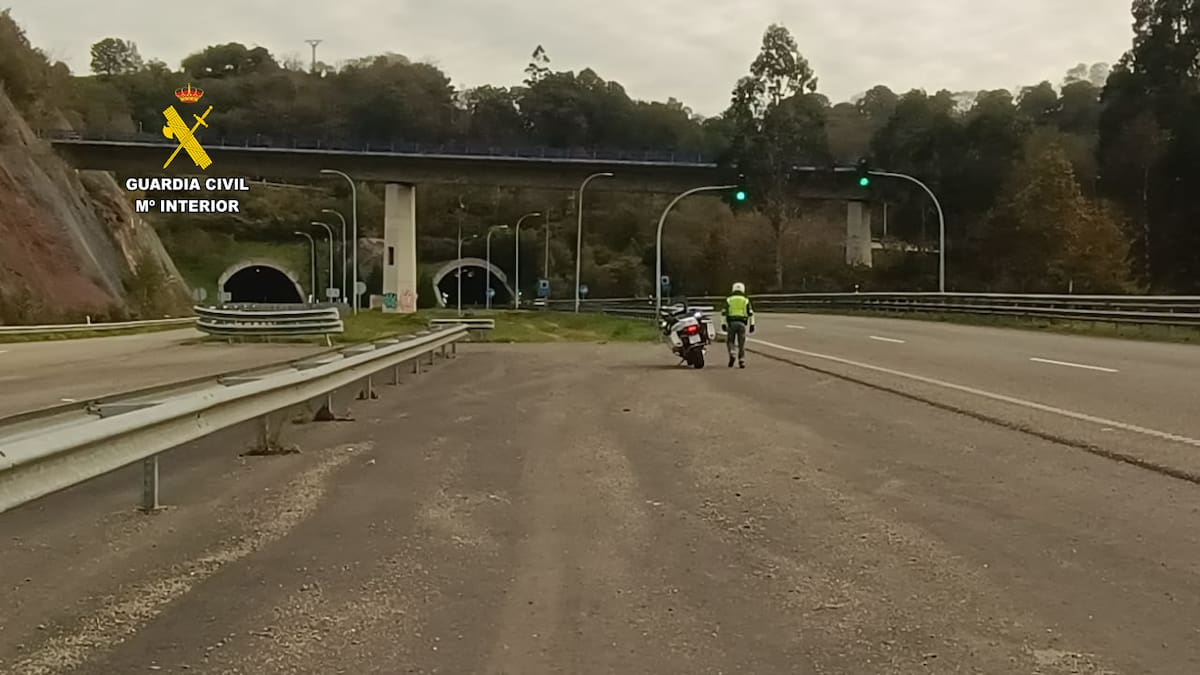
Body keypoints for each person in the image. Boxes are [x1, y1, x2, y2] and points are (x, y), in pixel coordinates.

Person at [721, 282, 755, 368]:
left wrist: (723, 323)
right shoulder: (745, 300)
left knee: (730, 341)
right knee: (741, 343)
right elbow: (751, 313)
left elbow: (724, 312)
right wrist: (752, 324)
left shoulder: (729, 299)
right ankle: (742, 360)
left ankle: (732, 352)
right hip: (742, 323)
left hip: (732, 323)